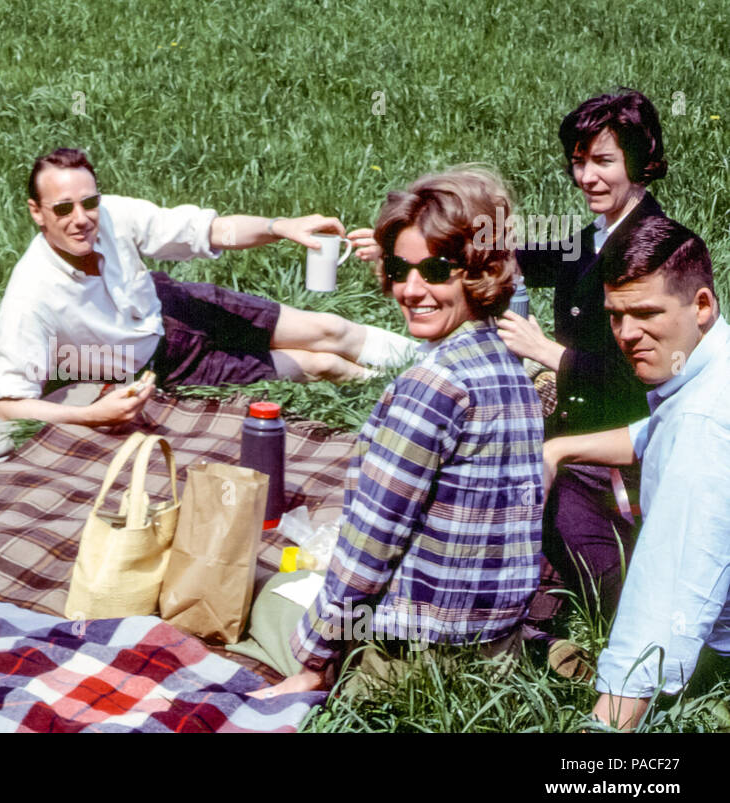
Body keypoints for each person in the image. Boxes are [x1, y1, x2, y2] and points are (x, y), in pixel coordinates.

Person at [254, 167, 545, 697]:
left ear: (477, 273)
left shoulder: (431, 385)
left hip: (416, 659)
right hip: (496, 648)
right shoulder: (512, 367)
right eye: (398, 268)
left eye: (435, 270)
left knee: (271, 593)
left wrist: (315, 659)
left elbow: (372, 542)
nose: (411, 290)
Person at [0, 148, 417, 427]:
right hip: (162, 366)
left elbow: (211, 231)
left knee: (330, 329)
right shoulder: (30, 296)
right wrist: (89, 414)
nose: (81, 218)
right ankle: (398, 396)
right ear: (36, 212)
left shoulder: (115, 215)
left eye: (90, 202)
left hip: (177, 305)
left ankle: (432, 365)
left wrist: (281, 227)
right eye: (63, 208)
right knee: (322, 365)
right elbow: (9, 401)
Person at [542, 216, 730, 730]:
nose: (627, 334)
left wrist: (603, 734)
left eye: (646, 313)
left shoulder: (704, 424)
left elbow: (667, 590)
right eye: (615, 315)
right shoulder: (710, 363)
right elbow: (655, 432)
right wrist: (560, 449)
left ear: (703, 306)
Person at [498, 89, 666, 626]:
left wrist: (545, 352)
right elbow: (538, 258)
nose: (586, 177)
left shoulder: (651, 248)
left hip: (624, 452)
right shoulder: (602, 233)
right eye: (578, 162)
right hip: (579, 429)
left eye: (603, 161)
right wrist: (437, 248)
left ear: (640, 161)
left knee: (604, 583)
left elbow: (639, 380)